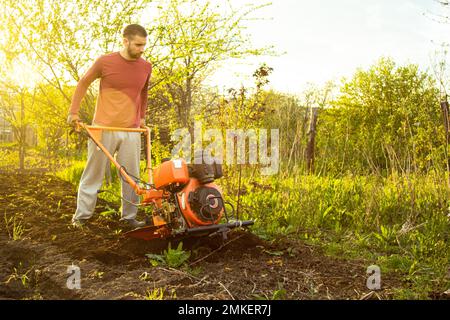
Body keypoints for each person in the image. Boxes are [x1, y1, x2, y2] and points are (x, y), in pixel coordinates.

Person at [67, 24, 152, 228]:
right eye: (138, 45)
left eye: (144, 45)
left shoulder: (146, 66)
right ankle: (81, 218)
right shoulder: (105, 62)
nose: (142, 49)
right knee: (93, 174)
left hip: (131, 130)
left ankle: (129, 218)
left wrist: (141, 117)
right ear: (125, 41)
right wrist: (73, 112)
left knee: (132, 176)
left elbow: (144, 92)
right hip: (102, 129)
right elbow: (83, 83)